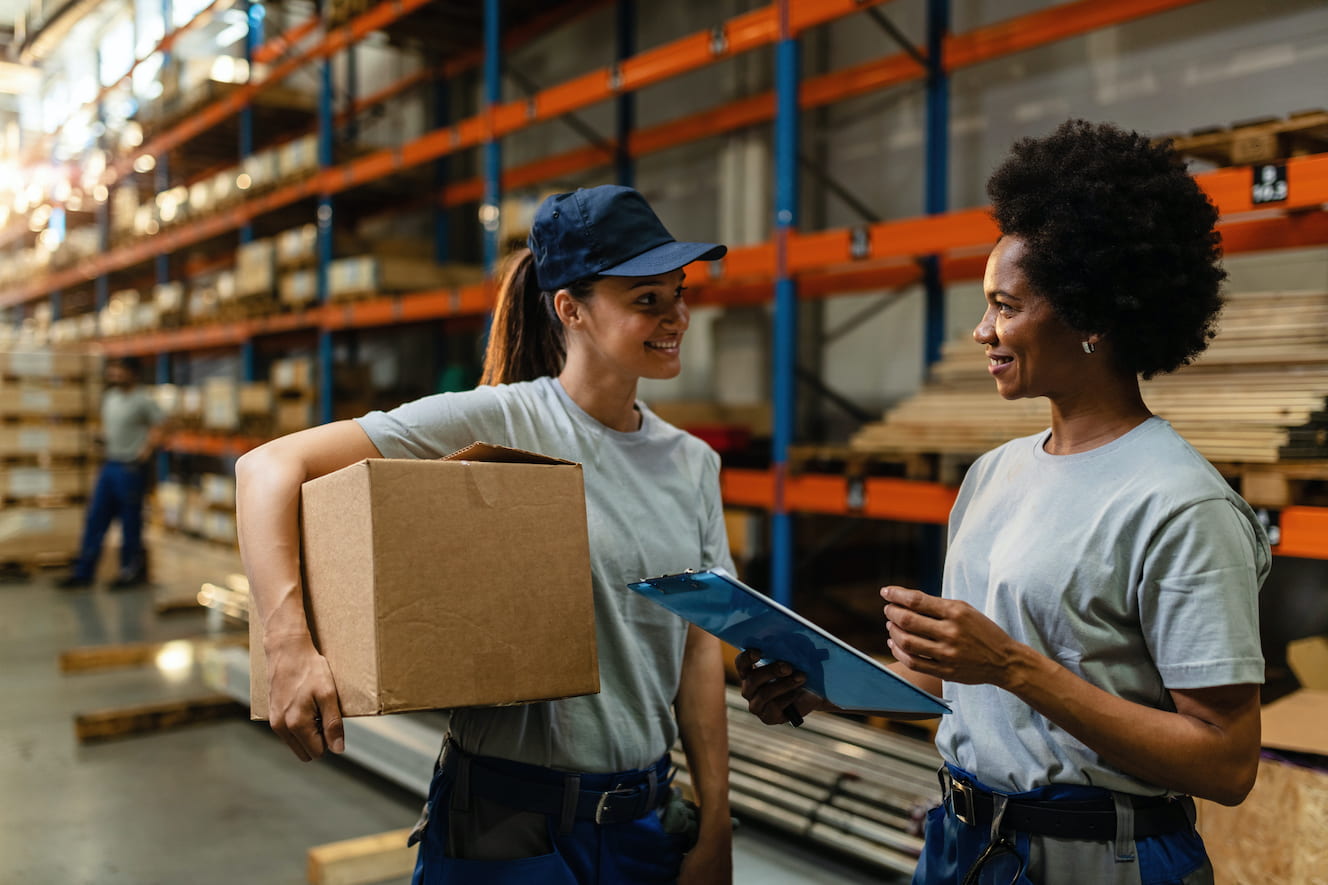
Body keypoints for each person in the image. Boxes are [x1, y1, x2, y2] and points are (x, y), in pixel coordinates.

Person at [736, 120, 1269, 884]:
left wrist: (1015, 666)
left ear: (1089, 318)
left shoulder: (1180, 503)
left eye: (1006, 306)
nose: (982, 330)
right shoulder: (993, 474)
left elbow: (1225, 759)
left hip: (1100, 857)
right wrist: (823, 688)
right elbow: (967, 683)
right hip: (963, 844)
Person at [235, 185, 735, 885]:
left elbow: (698, 648)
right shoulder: (503, 421)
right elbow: (265, 467)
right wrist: (288, 644)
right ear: (572, 310)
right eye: (646, 299)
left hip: (643, 826)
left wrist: (716, 820)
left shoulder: (692, 464)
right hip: (506, 825)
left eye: (678, 293)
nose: (676, 316)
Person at [59, 356, 165, 589]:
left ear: (134, 374)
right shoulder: (110, 398)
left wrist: (144, 452)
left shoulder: (143, 400)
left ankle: (129, 572)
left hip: (129, 467)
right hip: (109, 464)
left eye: (120, 371)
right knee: (96, 518)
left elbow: (158, 426)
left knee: (130, 522)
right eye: (113, 371)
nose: (115, 375)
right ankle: (83, 572)